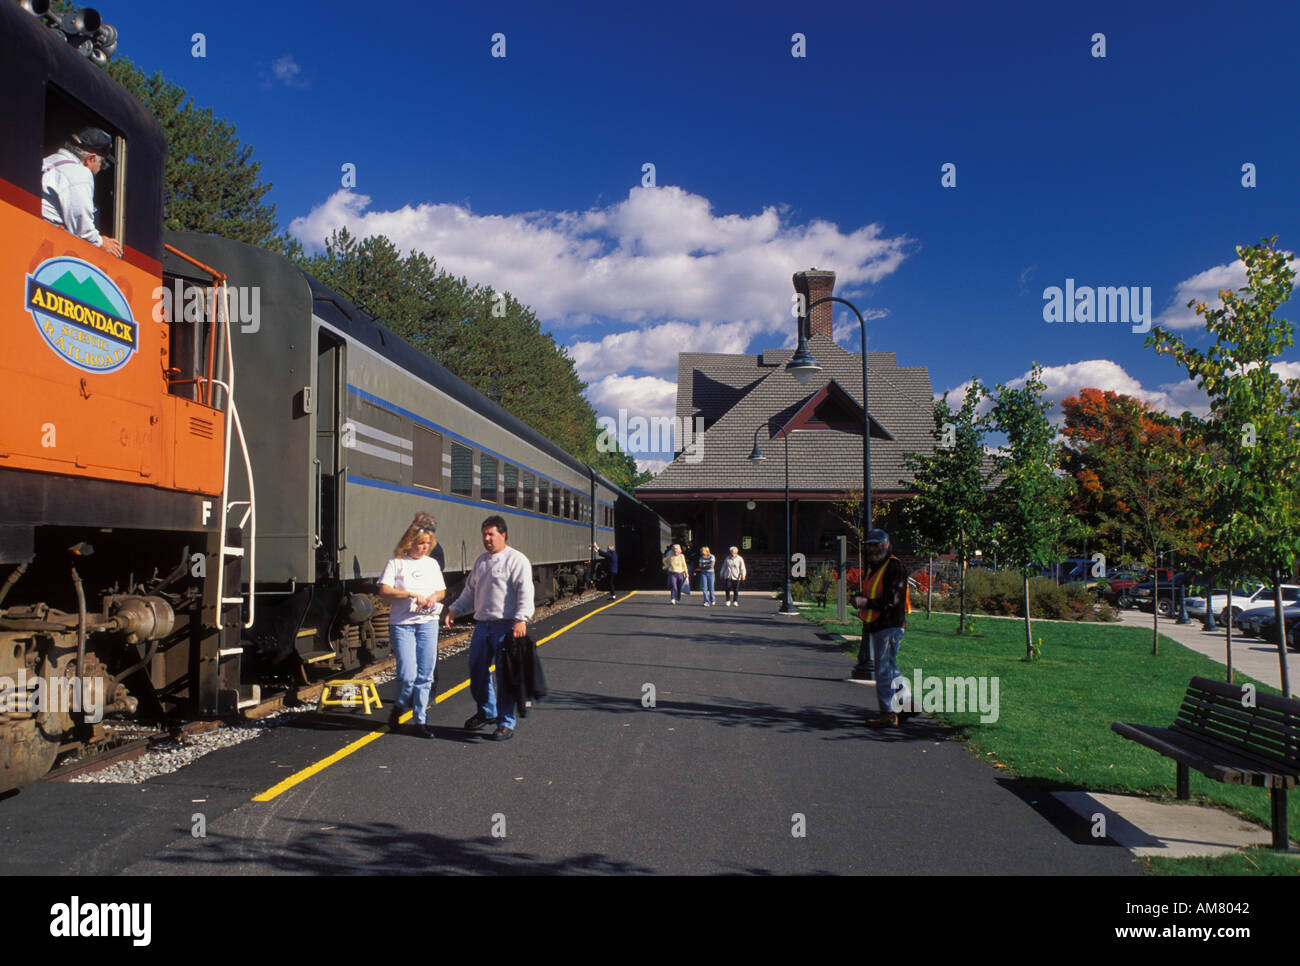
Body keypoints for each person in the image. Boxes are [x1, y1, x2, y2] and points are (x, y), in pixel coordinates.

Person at [444, 516, 535, 741]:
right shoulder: (481, 562)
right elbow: (470, 591)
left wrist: (521, 619)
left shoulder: (516, 560)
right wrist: (454, 609)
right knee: (477, 672)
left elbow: (525, 591)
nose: (486, 539)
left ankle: (505, 723)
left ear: (503, 535)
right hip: (483, 626)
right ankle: (486, 712)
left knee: (505, 677)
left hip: (506, 627)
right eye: (484, 534)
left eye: (491, 534)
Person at [378, 524, 445, 738]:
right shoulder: (396, 563)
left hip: (428, 622)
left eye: (427, 544)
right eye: (420, 543)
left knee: (425, 675)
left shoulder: (432, 564)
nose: (424, 548)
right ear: (410, 543)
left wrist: (433, 598)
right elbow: (385, 589)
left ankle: (420, 720)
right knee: (407, 675)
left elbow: (441, 590)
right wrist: (410, 594)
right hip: (402, 624)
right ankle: (398, 706)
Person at [854, 529, 913, 728]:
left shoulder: (894, 567)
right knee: (891, 667)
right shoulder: (876, 566)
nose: (872, 548)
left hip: (890, 624)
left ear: (887, 545)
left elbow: (892, 600)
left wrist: (865, 602)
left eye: (876, 545)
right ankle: (906, 706)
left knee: (883, 669)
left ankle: (888, 713)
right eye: (870, 545)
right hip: (881, 624)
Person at [41, 128, 123, 257]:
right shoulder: (79, 173)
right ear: (91, 158)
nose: (100, 169)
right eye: (102, 164)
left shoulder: (49, 161)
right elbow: (81, 227)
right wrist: (101, 242)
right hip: (44, 239)